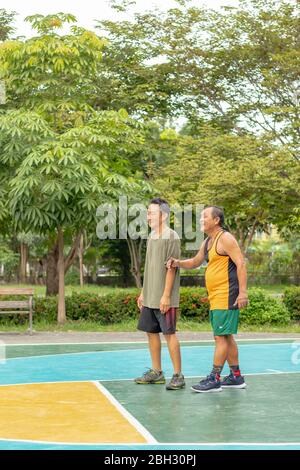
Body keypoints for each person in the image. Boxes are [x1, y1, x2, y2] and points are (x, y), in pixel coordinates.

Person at [167, 206, 248, 392]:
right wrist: (177, 262)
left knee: (220, 336)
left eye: (205, 217)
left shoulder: (225, 238)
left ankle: (215, 378)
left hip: (227, 294)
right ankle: (236, 377)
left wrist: (243, 292)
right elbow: (195, 262)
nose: (201, 220)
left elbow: (241, 263)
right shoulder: (208, 241)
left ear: (216, 220)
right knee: (225, 335)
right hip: (216, 296)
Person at [135, 198, 185, 390]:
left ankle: (178, 375)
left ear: (163, 215)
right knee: (151, 332)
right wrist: (143, 292)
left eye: (152, 213)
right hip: (150, 296)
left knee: (169, 334)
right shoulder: (152, 236)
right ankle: (156, 372)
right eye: (147, 212)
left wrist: (165, 296)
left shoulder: (171, 236)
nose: (148, 216)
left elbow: (171, 268)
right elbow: (150, 268)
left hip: (165, 298)